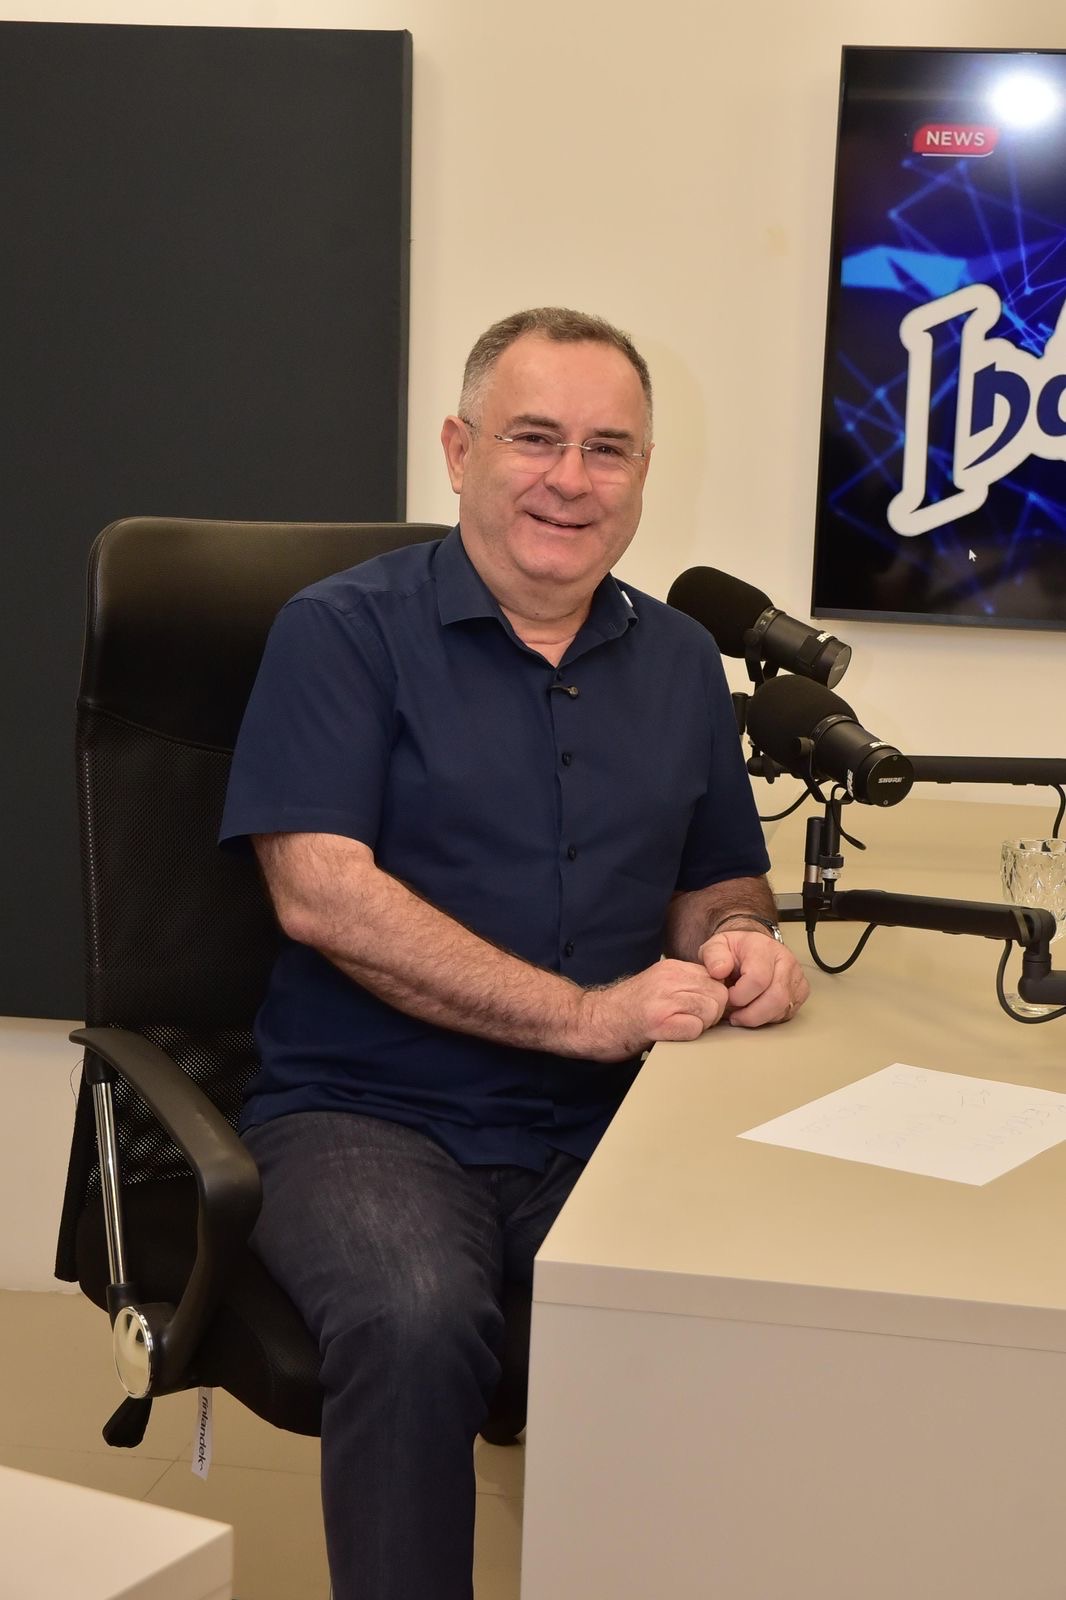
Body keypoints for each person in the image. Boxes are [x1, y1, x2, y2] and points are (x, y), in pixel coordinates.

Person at [220, 306, 809, 1600]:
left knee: (756, 1306)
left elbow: (716, 879)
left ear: (643, 474)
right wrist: (583, 1016)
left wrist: (742, 940)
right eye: (534, 438)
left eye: (608, 449)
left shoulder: (679, 662)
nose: (569, 479)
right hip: (368, 1112)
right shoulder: (340, 631)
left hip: (605, 1122)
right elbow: (321, 894)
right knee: (415, 1318)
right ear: (458, 450)